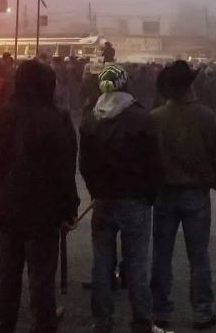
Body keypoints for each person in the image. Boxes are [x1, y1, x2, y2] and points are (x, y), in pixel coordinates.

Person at [0, 59, 79, 333]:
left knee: (6, 280)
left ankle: (0, 326)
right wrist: (69, 209)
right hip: (43, 216)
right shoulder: (56, 120)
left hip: (6, 211)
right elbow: (64, 172)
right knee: (42, 282)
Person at [78, 63, 167, 333]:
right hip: (135, 200)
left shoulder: (91, 118)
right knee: (137, 263)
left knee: (102, 263)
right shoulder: (141, 118)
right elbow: (155, 163)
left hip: (104, 200)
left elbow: (85, 164)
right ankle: (142, 321)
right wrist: (150, 194)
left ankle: (102, 320)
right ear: (126, 85)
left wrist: (96, 190)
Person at [149, 61, 216, 330]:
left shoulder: (156, 118)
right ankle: (202, 311)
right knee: (199, 256)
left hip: (164, 194)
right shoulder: (206, 116)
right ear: (190, 85)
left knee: (161, 255)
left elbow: (147, 160)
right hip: (196, 194)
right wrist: (210, 182)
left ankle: (160, 310)